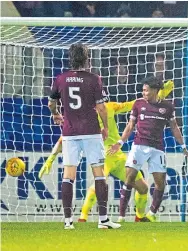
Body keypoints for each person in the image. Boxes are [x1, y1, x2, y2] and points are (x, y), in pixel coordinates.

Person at [41, 79, 175, 222]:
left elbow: (133, 104)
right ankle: (82, 218)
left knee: (143, 188)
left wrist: (160, 93)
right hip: (102, 156)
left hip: (118, 156)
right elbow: (64, 138)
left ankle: (140, 217)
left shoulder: (110, 107)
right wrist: (51, 158)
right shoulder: (82, 116)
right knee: (98, 186)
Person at [48, 43, 120, 230]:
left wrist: (56, 114)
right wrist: (105, 127)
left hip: (70, 133)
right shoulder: (94, 79)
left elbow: (51, 103)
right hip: (91, 131)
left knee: (68, 175)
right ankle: (103, 220)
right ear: (87, 58)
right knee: (99, 174)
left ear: (70, 58)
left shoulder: (61, 79)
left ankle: (67, 222)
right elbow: (101, 107)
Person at [108, 76, 188, 222]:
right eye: (142, 90)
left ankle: (151, 214)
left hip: (157, 148)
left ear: (155, 90)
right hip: (139, 146)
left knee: (160, 183)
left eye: (146, 90)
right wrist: (120, 143)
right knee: (129, 179)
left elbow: (174, 127)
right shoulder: (138, 104)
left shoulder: (167, 107)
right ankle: (121, 217)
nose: (143, 93)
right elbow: (130, 126)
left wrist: (183, 147)